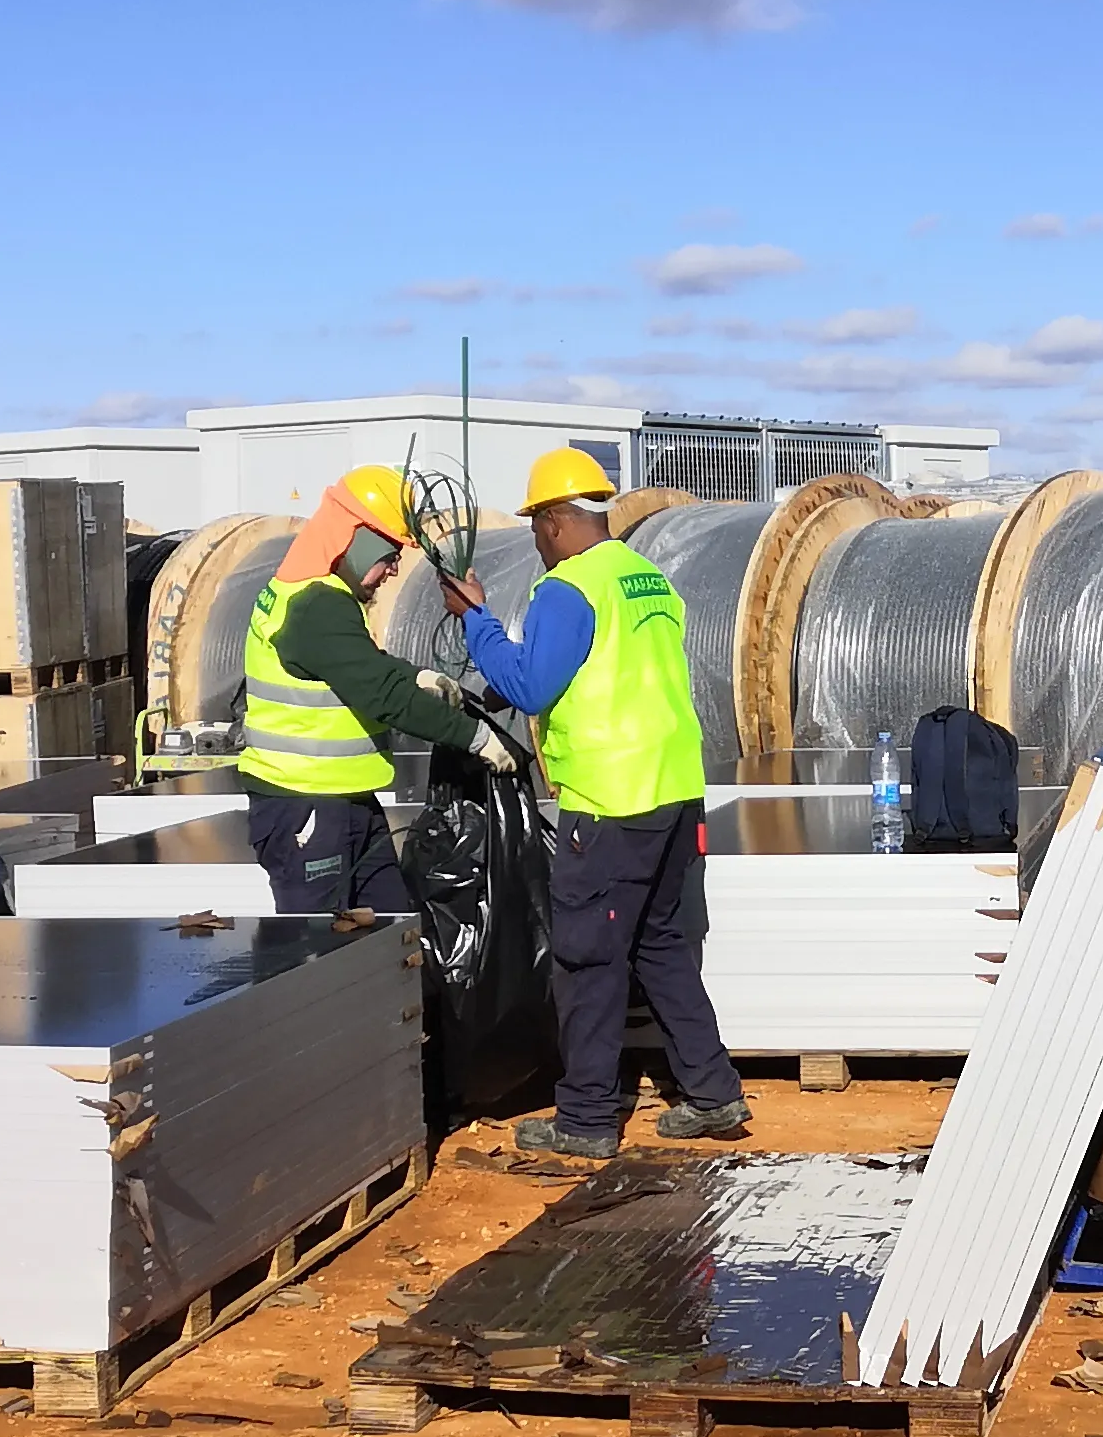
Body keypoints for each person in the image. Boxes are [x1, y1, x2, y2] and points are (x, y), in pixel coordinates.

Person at [453, 448, 747, 1158]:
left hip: (610, 802)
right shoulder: (647, 578)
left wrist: (476, 621)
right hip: (674, 791)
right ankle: (713, 1092)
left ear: (557, 520)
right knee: (664, 947)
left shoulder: (568, 589)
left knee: (588, 960)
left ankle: (585, 1119)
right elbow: (608, 670)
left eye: (535, 524)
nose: (535, 538)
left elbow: (533, 687)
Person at [238, 462, 501, 915]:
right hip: (307, 807)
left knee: (390, 930)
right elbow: (383, 695)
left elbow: (357, 664)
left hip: (342, 801)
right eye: (390, 553)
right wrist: (476, 738)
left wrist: (415, 677)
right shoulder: (317, 604)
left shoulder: (313, 591)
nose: (394, 569)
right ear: (355, 539)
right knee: (318, 944)